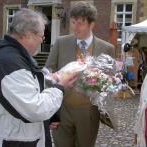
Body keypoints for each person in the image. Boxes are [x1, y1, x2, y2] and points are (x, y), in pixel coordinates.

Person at [0, 8, 78, 147]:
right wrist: (59, 87)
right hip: (15, 141)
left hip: (23, 135)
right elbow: (35, 108)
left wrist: (52, 79)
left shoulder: (15, 55)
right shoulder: (9, 63)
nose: (42, 41)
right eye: (42, 36)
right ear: (27, 35)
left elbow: (25, 90)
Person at [45, 1, 115, 147]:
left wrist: (104, 82)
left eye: (80, 23)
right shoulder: (61, 42)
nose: (75, 27)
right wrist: (51, 111)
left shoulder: (107, 48)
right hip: (62, 110)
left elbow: (111, 81)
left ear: (91, 24)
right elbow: (47, 74)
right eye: (73, 22)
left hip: (89, 113)